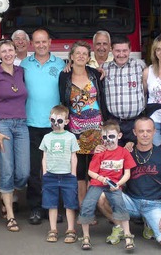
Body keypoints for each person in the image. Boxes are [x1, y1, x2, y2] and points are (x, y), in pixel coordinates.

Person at [98, 117, 161, 251]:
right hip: (131, 202)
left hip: (154, 205)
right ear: (134, 132)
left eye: (148, 131)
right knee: (101, 195)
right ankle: (119, 226)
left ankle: (149, 222)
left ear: (154, 132)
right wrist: (100, 149)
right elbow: (107, 164)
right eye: (141, 131)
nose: (145, 134)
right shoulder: (126, 152)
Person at [20, 28, 66, 225]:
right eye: (37, 42)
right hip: (31, 124)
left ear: (50, 42)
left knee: (56, 168)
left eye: (44, 42)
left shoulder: (61, 64)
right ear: (32, 43)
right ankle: (36, 208)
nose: (40, 45)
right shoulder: (24, 64)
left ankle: (53, 206)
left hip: (55, 126)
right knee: (33, 169)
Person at [0, 39, 30, 232]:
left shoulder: (21, 72)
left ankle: (8, 193)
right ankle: (10, 215)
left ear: (15, 51)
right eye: (3, 51)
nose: (7, 54)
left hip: (21, 124)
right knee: (7, 169)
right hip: (2, 124)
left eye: (10, 50)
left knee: (23, 172)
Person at [58, 41, 108, 205]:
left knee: (94, 168)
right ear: (71, 56)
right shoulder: (64, 75)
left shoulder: (95, 74)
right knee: (79, 169)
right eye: (77, 53)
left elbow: (103, 100)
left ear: (88, 57)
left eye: (84, 54)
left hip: (97, 129)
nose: (80, 56)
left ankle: (93, 205)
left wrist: (107, 124)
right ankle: (82, 206)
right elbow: (63, 101)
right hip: (75, 129)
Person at [79, 120, 135, 251]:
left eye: (111, 136)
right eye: (104, 137)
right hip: (98, 183)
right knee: (87, 205)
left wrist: (118, 183)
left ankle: (127, 235)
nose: (108, 140)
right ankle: (86, 236)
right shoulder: (100, 152)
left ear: (119, 136)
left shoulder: (123, 153)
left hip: (114, 184)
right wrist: (100, 178)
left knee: (119, 204)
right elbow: (90, 171)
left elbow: (127, 173)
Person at [40, 105, 80, 244]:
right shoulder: (46, 137)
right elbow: (44, 156)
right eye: (52, 120)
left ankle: (70, 229)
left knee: (70, 203)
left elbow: (74, 156)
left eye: (59, 121)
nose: (55, 123)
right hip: (51, 175)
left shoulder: (71, 137)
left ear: (67, 122)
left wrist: (73, 173)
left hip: (67, 175)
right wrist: (45, 172)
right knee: (52, 204)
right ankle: (53, 229)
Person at [101, 36, 147, 147]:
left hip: (136, 122)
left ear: (130, 50)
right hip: (114, 123)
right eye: (117, 51)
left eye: (124, 50)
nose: (121, 54)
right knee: (114, 158)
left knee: (136, 157)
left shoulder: (140, 66)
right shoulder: (104, 68)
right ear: (111, 50)